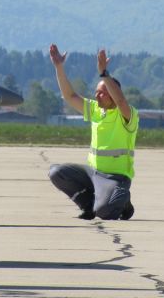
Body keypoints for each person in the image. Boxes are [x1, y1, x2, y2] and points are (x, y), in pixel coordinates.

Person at [48, 43, 139, 220]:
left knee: (106, 213)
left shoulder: (128, 114)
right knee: (57, 172)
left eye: (102, 93)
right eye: (96, 92)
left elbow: (121, 101)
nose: (96, 96)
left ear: (114, 93)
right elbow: (70, 96)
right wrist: (59, 67)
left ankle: (124, 202)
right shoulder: (96, 110)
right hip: (92, 174)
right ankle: (88, 206)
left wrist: (104, 73)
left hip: (115, 178)